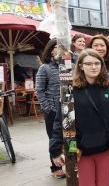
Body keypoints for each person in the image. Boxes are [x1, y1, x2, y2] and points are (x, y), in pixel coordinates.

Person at [49, 49, 109, 186]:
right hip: (80, 149)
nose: (93, 67)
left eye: (97, 63)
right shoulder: (70, 90)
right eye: (88, 64)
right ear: (81, 66)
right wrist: (55, 150)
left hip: (106, 147)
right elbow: (62, 121)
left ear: (102, 65)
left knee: (103, 183)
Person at [35, 39, 65, 179]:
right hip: (52, 110)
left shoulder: (68, 65)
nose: (61, 49)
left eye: (63, 47)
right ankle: (55, 167)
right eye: (57, 47)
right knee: (54, 139)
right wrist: (47, 109)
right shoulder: (45, 67)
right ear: (51, 50)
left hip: (68, 108)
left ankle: (70, 163)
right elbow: (39, 90)